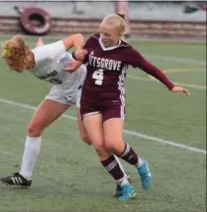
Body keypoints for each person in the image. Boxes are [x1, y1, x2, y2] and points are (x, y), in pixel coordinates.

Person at [65, 12, 190, 201]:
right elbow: (78, 56)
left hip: (112, 101)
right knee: (99, 146)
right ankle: (125, 185)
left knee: (113, 144)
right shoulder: (93, 41)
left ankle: (141, 164)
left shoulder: (127, 52)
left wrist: (171, 85)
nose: (103, 37)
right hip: (89, 101)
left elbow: (151, 68)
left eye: (108, 34)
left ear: (119, 35)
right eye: (101, 32)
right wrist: (76, 55)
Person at [0, 34, 130, 197]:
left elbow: (77, 37)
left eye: (11, 63)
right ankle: (25, 176)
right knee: (34, 128)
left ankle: (123, 178)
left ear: (20, 57)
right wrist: (39, 46)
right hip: (62, 90)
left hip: (82, 87)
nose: (10, 67)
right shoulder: (31, 58)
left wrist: (79, 60)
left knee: (88, 137)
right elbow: (37, 54)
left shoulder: (46, 53)